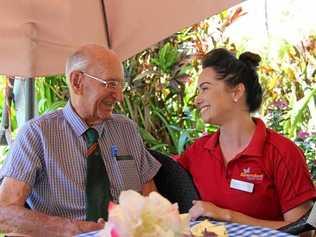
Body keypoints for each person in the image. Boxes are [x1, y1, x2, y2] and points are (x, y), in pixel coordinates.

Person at [0, 44, 161, 237]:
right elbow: (4, 213)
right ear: (77, 82)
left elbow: (151, 196)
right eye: (110, 84)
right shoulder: (37, 134)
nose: (119, 96)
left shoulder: (126, 129)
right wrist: (72, 229)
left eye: (120, 85)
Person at [177, 48, 316, 232]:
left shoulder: (282, 152)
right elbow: (159, 175)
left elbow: (304, 231)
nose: (197, 100)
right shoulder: (197, 151)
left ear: (236, 92)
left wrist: (228, 216)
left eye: (205, 89)